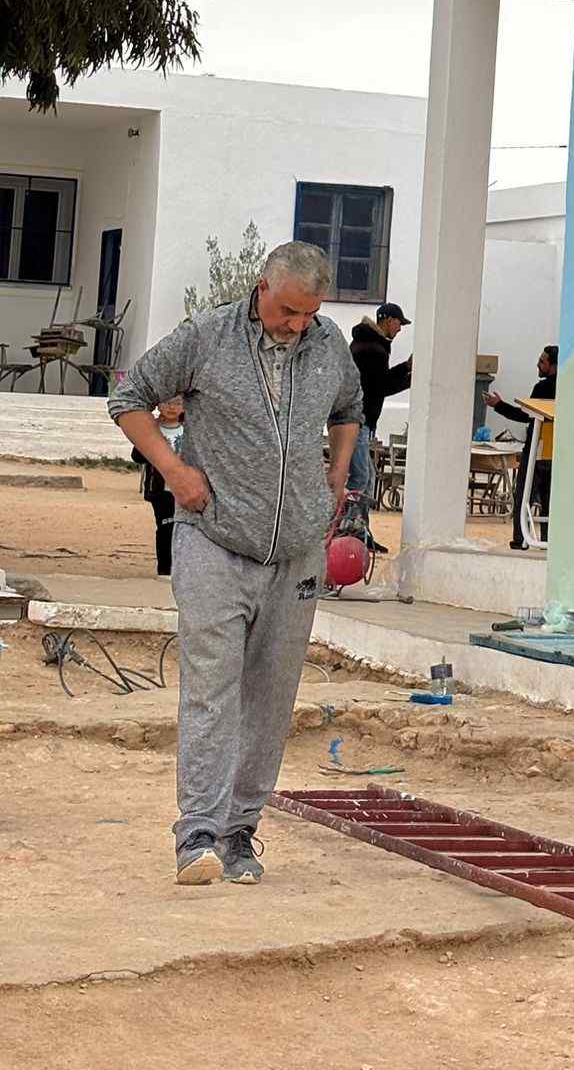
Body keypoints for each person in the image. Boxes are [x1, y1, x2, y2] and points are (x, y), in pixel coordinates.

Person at [108, 240, 363, 888]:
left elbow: (350, 410)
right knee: (214, 690)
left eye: (309, 314)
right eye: (287, 311)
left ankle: (239, 834)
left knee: (271, 700)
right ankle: (196, 837)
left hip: (298, 552)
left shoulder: (329, 344)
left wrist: (336, 476)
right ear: (262, 288)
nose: (297, 325)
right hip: (214, 538)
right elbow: (130, 399)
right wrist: (172, 469)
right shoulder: (208, 336)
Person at [347, 303, 412, 553]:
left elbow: (378, 382)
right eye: (399, 323)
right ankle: (351, 527)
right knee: (361, 477)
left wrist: (405, 370)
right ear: (387, 320)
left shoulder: (370, 345)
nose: (400, 328)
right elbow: (380, 387)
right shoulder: (372, 349)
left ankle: (359, 529)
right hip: (358, 421)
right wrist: (408, 378)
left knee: (367, 475)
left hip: (360, 421)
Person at [486, 343, 556, 551]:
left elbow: (525, 415)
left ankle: (520, 539)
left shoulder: (542, 388)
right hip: (556, 453)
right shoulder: (568, 386)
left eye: (542, 362)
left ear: (553, 366)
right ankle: (546, 541)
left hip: (536, 451)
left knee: (523, 497)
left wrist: (498, 405)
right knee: (549, 501)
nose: (538, 365)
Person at [130, 396, 185, 576]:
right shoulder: (152, 430)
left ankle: (182, 569)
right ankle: (165, 569)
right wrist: (148, 432)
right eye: (167, 403)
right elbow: (137, 457)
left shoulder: (190, 430)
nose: (171, 407)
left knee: (184, 529)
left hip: (184, 488)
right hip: (160, 489)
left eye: (177, 403)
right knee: (165, 527)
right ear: (158, 406)